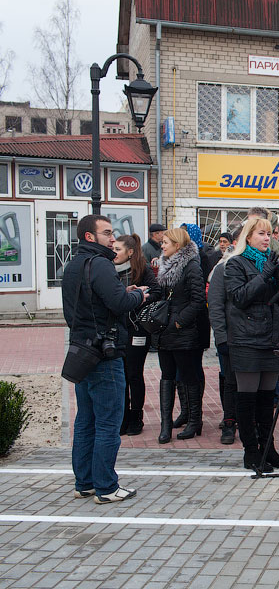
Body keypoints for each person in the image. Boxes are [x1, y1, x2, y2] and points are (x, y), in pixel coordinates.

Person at [63, 214, 146, 504]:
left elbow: (87, 304)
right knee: (108, 422)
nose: (113, 238)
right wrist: (139, 297)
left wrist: (121, 293)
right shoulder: (100, 264)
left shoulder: (74, 265)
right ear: (90, 237)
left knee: (85, 420)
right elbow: (120, 304)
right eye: (107, 233)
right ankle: (106, 487)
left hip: (81, 351)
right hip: (104, 353)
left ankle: (84, 483)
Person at [224, 217, 279, 470]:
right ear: (248, 237)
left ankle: (268, 448)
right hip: (246, 339)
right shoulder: (235, 264)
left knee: (268, 398)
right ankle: (251, 451)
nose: (267, 238)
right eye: (261, 234)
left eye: (270, 234)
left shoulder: (270, 262)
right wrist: (264, 275)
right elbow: (239, 298)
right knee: (247, 397)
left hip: (270, 336)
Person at [154, 227, 207, 443]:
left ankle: (195, 420)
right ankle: (165, 425)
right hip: (163, 331)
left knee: (188, 377)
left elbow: (197, 301)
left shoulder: (191, 266)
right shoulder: (164, 265)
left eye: (166, 242)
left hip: (182, 332)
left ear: (177, 245)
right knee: (167, 378)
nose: (162, 245)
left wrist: (178, 321)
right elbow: (162, 294)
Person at [112, 233, 161, 436]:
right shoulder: (108, 270)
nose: (113, 253)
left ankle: (136, 417)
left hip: (137, 329)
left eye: (118, 249)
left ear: (130, 252)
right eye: (113, 249)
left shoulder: (142, 268)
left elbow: (157, 291)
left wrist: (139, 298)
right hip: (117, 330)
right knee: (120, 375)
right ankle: (122, 418)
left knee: (134, 374)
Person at [207, 247, 238, 445]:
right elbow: (216, 305)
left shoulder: (261, 265)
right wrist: (221, 337)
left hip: (251, 336)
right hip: (229, 335)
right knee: (230, 380)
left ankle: (246, 421)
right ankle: (229, 421)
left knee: (249, 383)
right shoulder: (222, 269)